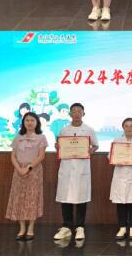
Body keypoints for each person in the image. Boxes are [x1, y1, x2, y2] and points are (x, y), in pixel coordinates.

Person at [53, 103, 99, 241]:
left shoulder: (89, 130)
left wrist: (91, 150)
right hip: (66, 168)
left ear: (83, 114)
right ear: (70, 114)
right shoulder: (64, 130)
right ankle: (66, 227)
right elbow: (59, 146)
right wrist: (58, 147)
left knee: (81, 197)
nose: (77, 114)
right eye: (74, 111)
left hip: (81, 168)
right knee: (65, 197)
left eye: (79, 111)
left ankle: (80, 227)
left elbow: (95, 146)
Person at [5, 112, 48, 240]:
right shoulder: (18, 137)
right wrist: (19, 168)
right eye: (27, 120)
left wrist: (28, 168)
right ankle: (22, 228)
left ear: (37, 123)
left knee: (32, 198)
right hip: (19, 171)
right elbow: (13, 156)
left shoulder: (41, 137)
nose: (29, 122)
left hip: (34, 171)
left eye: (32, 120)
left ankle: (31, 228)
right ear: (23, 122)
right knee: (19, 198)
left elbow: (41, 156)